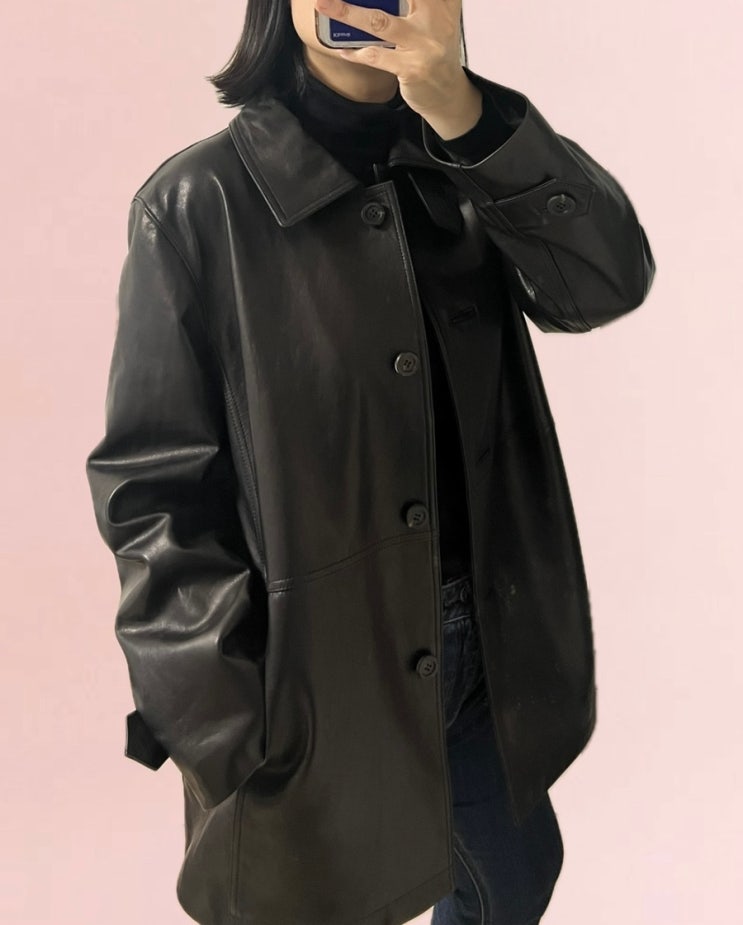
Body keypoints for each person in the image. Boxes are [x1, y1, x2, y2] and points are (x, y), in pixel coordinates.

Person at [85, 2, 656, 924]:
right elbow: (152, 484)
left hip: (486, 640)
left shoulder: (467, 162)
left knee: (510, 882)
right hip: (309, 667)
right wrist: (219, 712)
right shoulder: (198, 203)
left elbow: (602, 282)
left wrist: (466, 114)